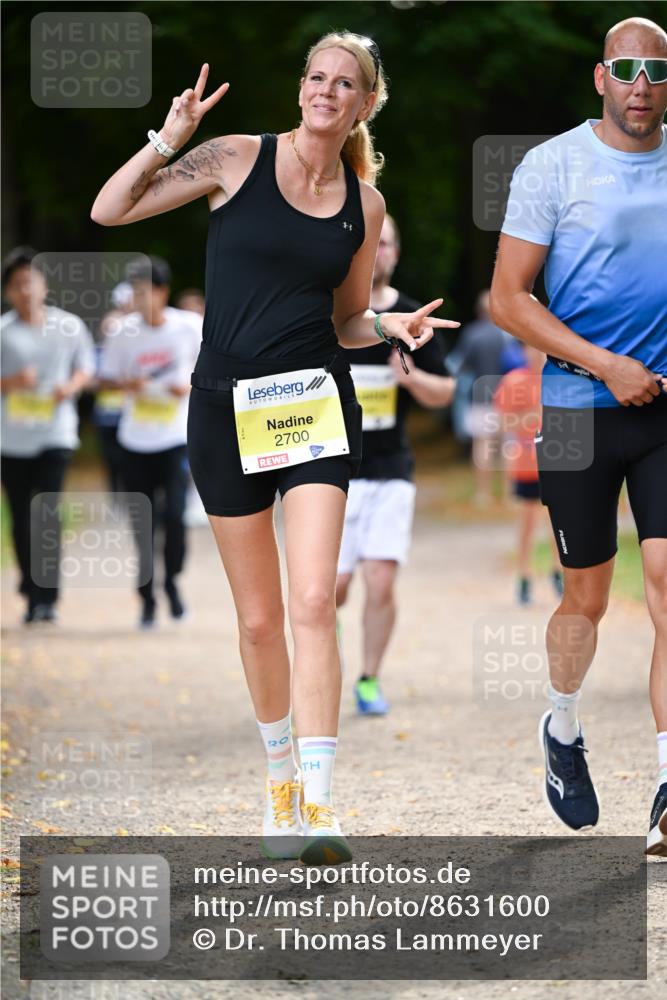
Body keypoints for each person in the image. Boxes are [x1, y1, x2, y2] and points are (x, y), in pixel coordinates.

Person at [90, 33, 459, 863]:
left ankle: (320, 806)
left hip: (312, 407)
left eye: (345, 83)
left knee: (311, 602)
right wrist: (168, 137)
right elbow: (109, 210)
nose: (327, 91)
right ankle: (280, 782)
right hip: (223, 408)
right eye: (316, 77)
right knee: (260, 621)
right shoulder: (234, 158)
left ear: (365, 103)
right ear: (300, 90)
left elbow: (346, 320)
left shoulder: (365, 205)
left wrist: (389, 326)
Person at [490, 17, 667, 856]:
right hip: (572, 411)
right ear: (601, 77)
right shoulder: (550, 165)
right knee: (586, 598)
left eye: (656, 71)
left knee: (665, 582)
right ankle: (561, 723)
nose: (640, 85)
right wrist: (605, 366)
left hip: (663, 408)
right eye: (625, 70)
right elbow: (508, 298)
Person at [335, 214, 455, 714]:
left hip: (389, 470)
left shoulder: (412, 317)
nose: (378, 251)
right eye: (371, 243)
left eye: (385, 244)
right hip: (332, 473)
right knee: (333, 590)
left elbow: (446, 391)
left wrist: (410, 380)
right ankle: (325, 663)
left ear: (396, 254)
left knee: (380, 581)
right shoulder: (333, 313)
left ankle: (368, 679)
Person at [97, 256, 201, 629]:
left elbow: (212, 366)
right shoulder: (122, 332)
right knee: (143, 524)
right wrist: (127, 383)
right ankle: (146, 599)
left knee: (175, 517)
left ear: (162, 292)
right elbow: (104, 378)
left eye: (144, 292)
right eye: (134, 293)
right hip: (134, 441)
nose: (138, 300)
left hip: (174, 439)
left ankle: (171, 581)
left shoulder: (188, 327)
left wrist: (189, 385)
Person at [0, 247, 95, 624]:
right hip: (12, 438)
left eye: (31, 282)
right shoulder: (3, 331)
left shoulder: (69, 326)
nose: (25, 290)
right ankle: (29, 585)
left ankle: (47, 598)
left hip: (56, 434)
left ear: (44, 286)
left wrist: (70, 387)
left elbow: (86, 366)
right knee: (22, 517)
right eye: (17, 284)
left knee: (47, 514)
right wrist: (11, 382)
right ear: (8, 291)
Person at [493, 345, 563, 605]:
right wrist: (534, 415)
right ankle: (524, 576)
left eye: (541, 350)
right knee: (527, 524)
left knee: (559, 524)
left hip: (558, 463)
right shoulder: (514, 382)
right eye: (532, 349)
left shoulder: (559, 379)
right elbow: (504, 424)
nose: (537, 355)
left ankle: (559, 572)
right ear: (524, 351)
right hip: (526, 464)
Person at [450, 290, 513, 506]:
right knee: (507, 446)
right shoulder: (510, 333)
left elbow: (459, 365)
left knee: (483, 445)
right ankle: (510, 493)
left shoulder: (472, 334)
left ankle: (482, 494)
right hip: (509, 397)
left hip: (480, 396)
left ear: (479, 310)